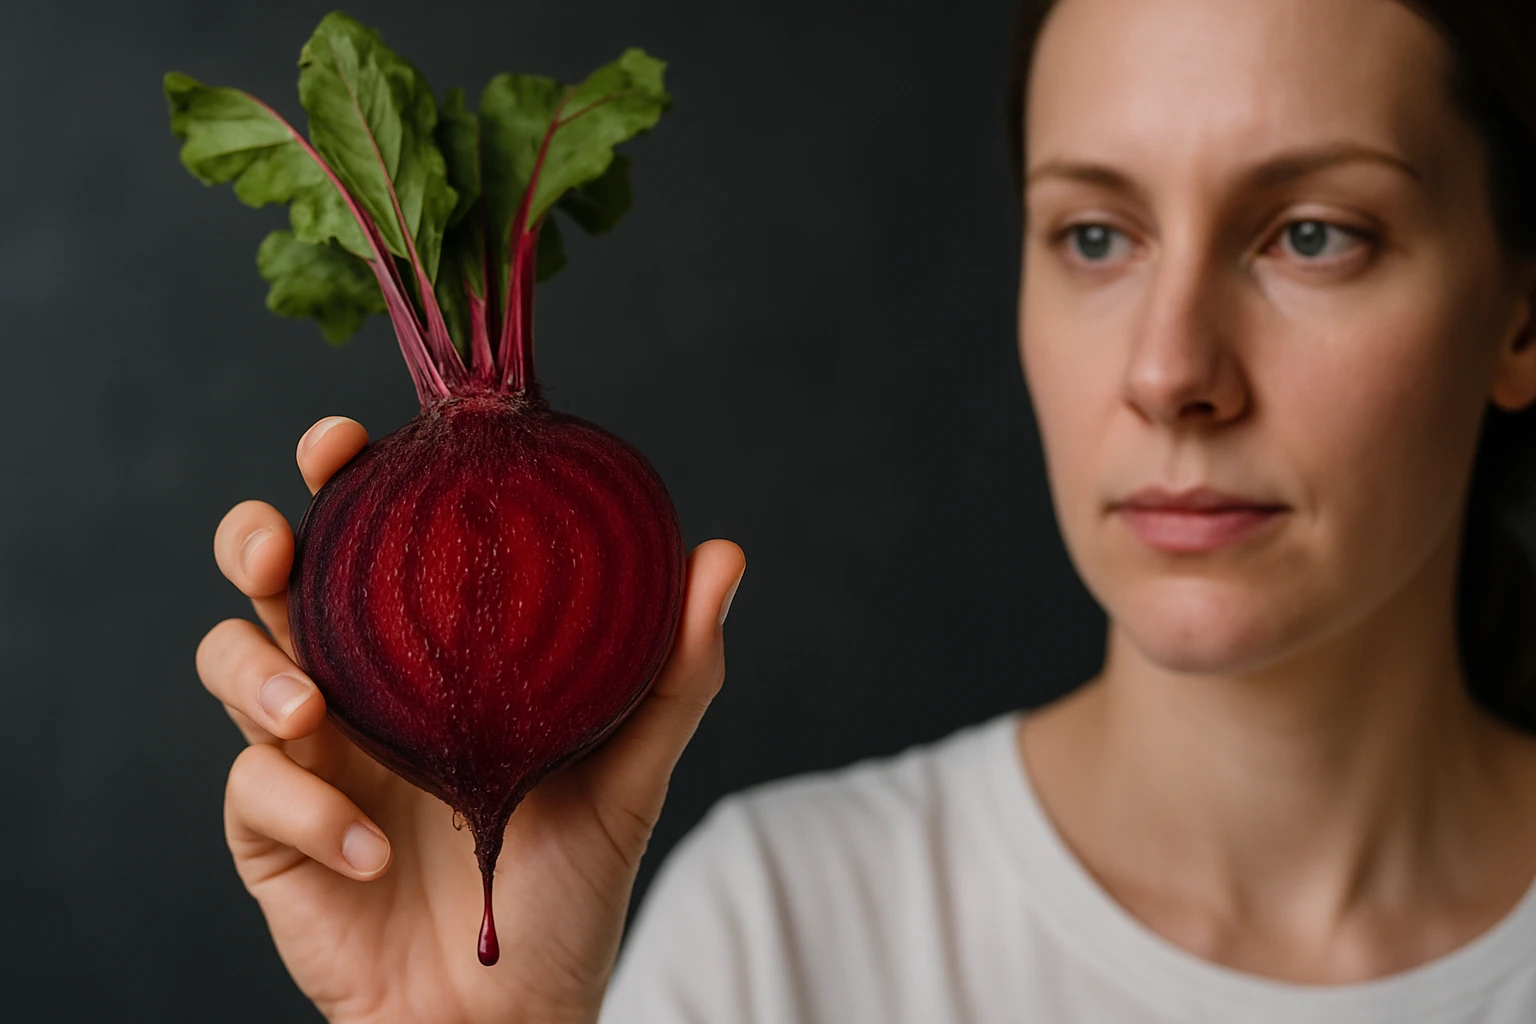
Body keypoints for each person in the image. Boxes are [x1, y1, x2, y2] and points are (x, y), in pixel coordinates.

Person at [195, 0, 1536, 1020]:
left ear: (1521, 313)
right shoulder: (775, 931)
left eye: (1313, 234)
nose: (1171, 370)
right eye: (1095, 237)